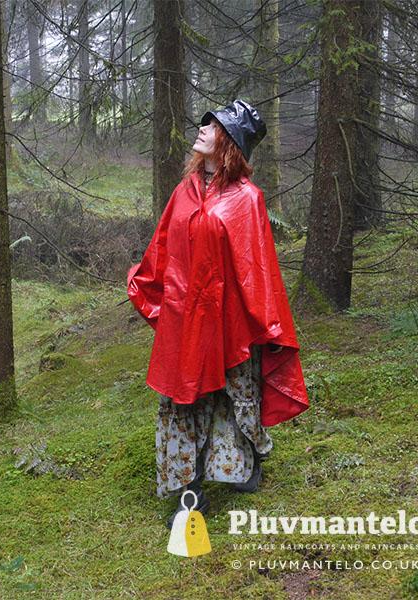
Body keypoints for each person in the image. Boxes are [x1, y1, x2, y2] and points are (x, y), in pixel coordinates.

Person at [126, 99, 310, 530]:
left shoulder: (247, 199)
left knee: (237, 396)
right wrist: (147, 284)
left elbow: (256, 267)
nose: (203, 128)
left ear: (229, 142)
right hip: (185, 318)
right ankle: (189, 490)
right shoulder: (184, 191)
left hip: (229, 322)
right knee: (183, 398)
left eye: (213, 126)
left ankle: (247, 461)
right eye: (206, 122)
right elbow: (164, 247)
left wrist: (261, 324)